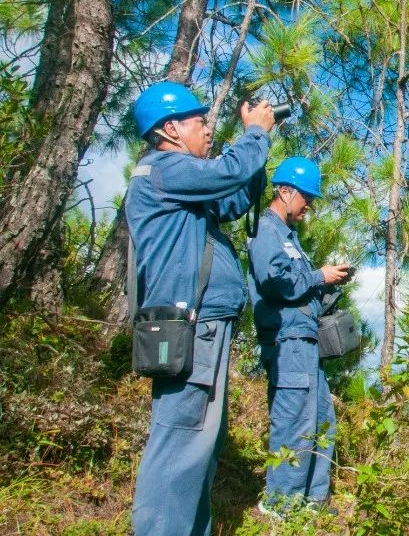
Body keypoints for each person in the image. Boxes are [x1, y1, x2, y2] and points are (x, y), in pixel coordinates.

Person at [127, 82, 275, 535]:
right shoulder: (162, 170)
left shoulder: (180, 182)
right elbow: (225, 174)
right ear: (170, 129)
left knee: (202, 442)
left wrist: (255, 158)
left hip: (202, 326)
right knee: (182, 439)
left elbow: (230, 197)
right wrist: (255, 134)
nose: (208, 130)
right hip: (192, 327)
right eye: (199, 122)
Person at [247, 157, 352, 514]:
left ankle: (312, 502)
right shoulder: (266, 231)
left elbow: (298, 290)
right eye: (305, 196)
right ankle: (281, 506)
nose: (309, 204)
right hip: (286, 345)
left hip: (307, 346)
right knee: (294, 423)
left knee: (321, 420)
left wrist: (329, 283)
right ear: (284, 190)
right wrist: (319, 276)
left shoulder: (289, 238)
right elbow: (276, 284)